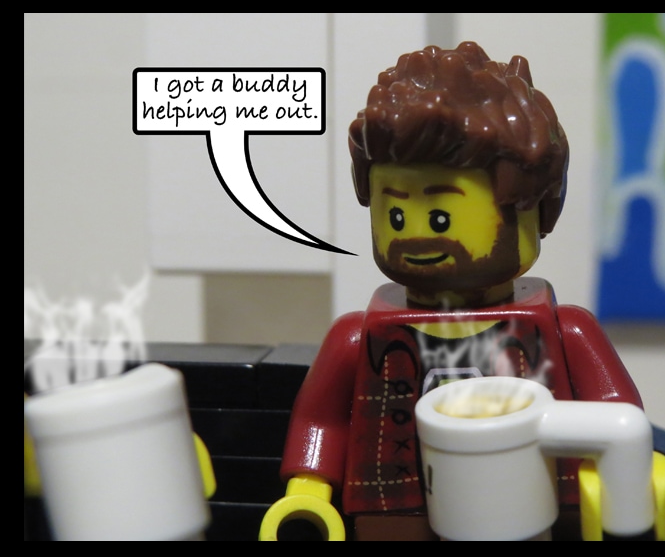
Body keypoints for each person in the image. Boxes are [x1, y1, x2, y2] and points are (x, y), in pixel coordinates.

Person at [260, 41, 645, 541]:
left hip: (533, 505)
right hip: (397, 510)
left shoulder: (566, 329)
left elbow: (619, 415)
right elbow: (322, 420)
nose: (417, 236)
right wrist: (308, 492)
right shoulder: (357, 339)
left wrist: (618, 473)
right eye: (396, 215)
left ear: (534, 207)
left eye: (442, 217)